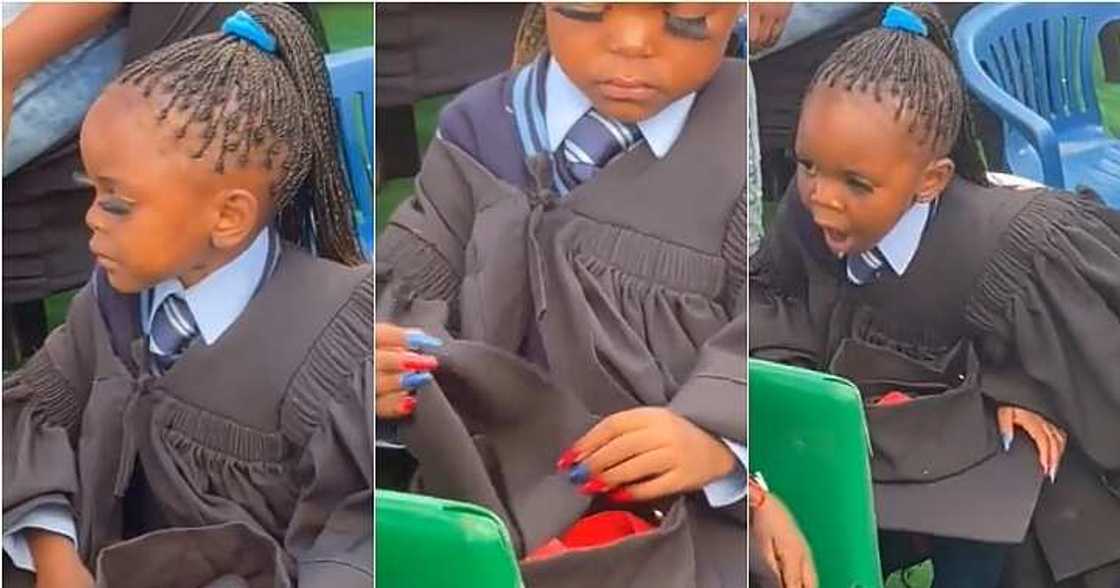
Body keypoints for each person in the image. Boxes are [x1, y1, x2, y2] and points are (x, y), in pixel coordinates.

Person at [373, 3, 776, 586]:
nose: (633, 42)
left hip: (671, 516)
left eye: (684, 17)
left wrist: (718, 448)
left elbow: (765, 321)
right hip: (481, 502)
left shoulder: (739, 125)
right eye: (589, 7)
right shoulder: (477, 128)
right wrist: (382, 373)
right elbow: (400, 298)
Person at [750, 4, 1120, 587]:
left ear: (932, 180)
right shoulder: (808, 217)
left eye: (856, 183)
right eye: (807, 165)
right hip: (882, 457)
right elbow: (772, 310)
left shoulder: (1022, 251)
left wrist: (1013, 388)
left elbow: (1097, 380)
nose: (822, 197)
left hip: (1020, 496)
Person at [2, 5, 372, 587]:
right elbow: (32, 419)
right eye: (91, 190)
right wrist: (53, 555)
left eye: (117, 201)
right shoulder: (112, 305)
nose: (91, 220)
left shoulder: (336, 342)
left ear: (228, 217)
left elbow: (352, 537)